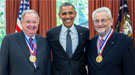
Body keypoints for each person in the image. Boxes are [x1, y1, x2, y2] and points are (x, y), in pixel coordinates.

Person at [0, 9, 51, 75]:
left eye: (34, 22)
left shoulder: (44, 41)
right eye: (28, 22)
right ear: (21, 23)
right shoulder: (9, 40)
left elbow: (48, 68)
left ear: (38, 23)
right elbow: (3, 68)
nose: (31, 25)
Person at [87, 7, 135, 75]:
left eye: (103, 20)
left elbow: (130, 71)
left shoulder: (125, 41)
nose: (100, 24)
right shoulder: (91, 42)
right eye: (97, 21)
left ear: (111, 21)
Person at [46, 2, 90, 75]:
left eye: (70, 13)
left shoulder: (84, 32)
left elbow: (88, 53)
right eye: (64, 14)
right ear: (59, 15)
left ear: (75, 14)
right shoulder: (51, 33)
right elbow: (47, 56)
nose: (67, 16)